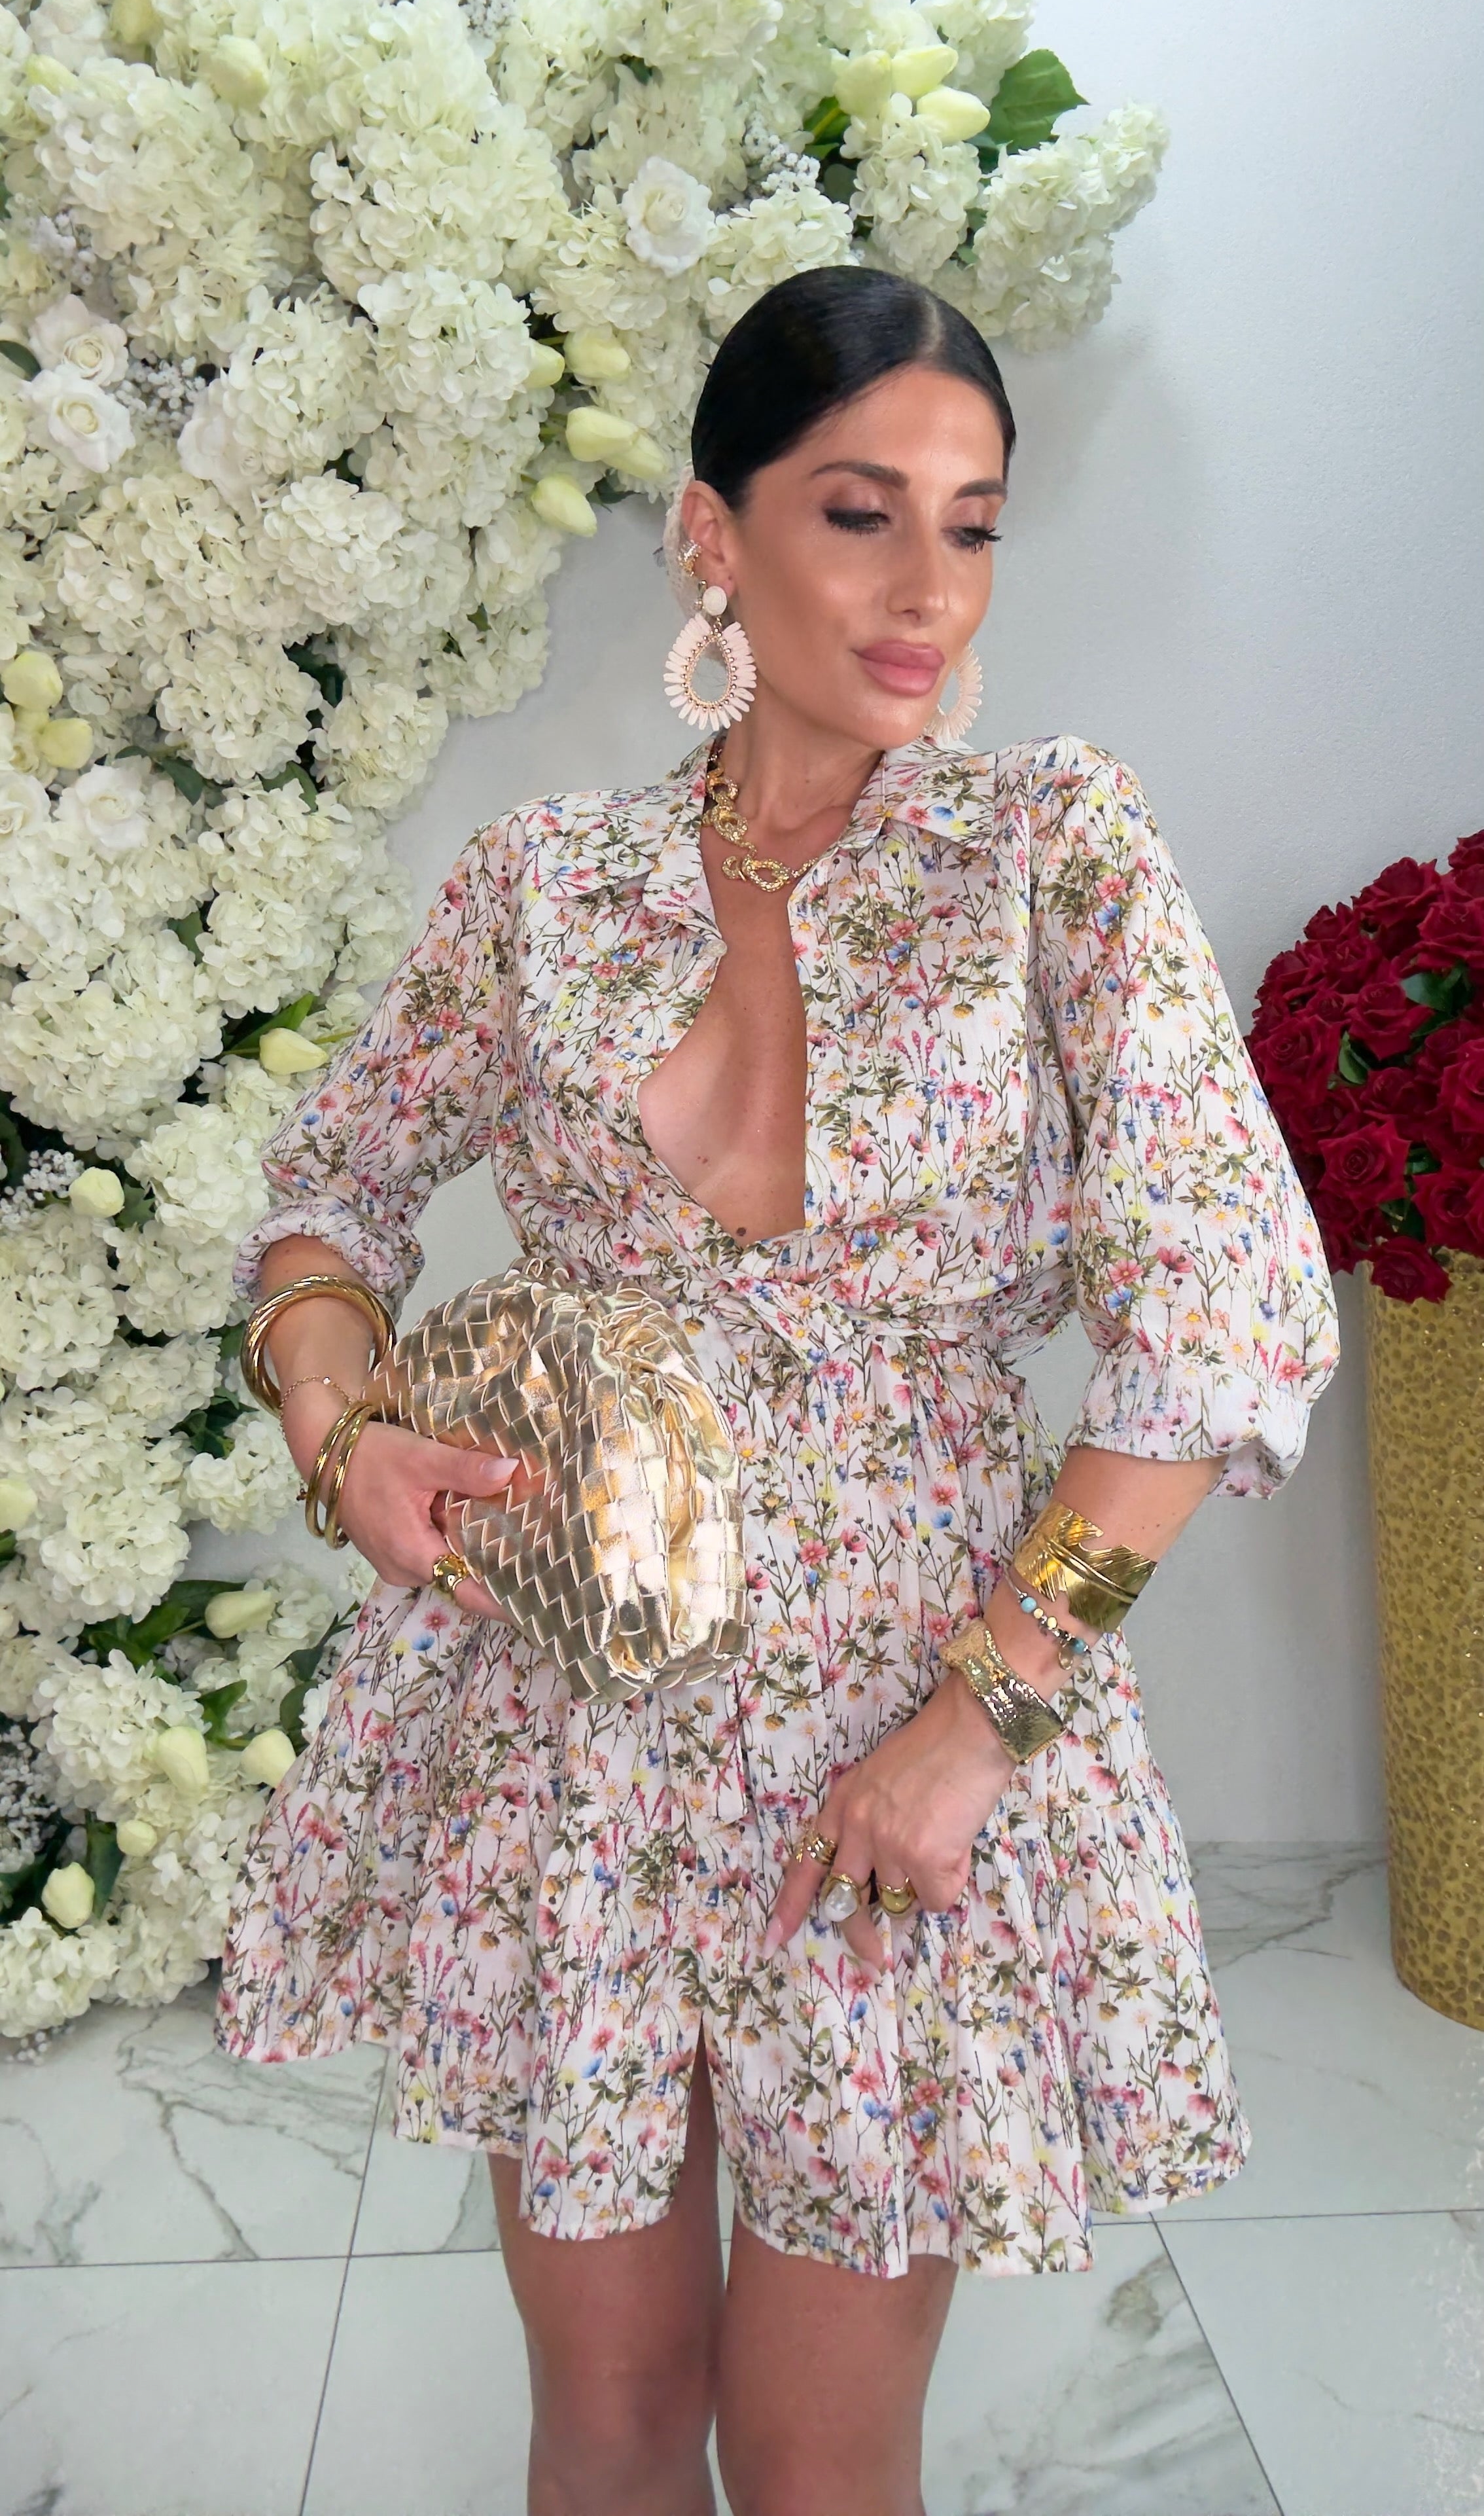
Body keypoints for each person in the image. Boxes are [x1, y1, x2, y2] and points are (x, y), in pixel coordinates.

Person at [213, 264, 1340, 2516]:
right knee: (608, 2419)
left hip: (898, 1734)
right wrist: (347, 1438)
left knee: (821, 2461)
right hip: (576, 1716)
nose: (927, 588)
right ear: (710, 536)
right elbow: (323, 1200)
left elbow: (1218, 1308)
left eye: (973, 523)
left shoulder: (1053, 857)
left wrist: (979, 1724)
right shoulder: (544, 887)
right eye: (856, 512)